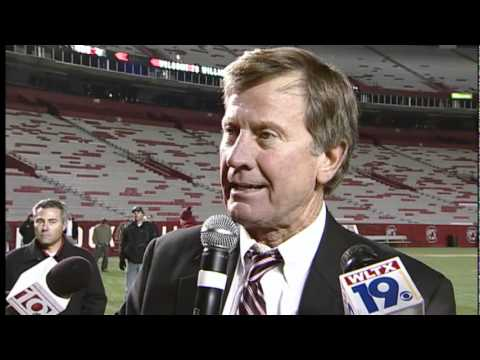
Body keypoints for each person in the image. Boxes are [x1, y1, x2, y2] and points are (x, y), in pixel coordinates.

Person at [118, 47, 455, 315]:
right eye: (231, 131)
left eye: (266, 135)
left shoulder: (412, 294)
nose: (235, 157)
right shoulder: (167, 258)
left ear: (329, 158)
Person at [5, 199, 107, 315]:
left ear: (63, 225)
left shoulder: (84, 259)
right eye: (39, 221)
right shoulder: (11, 260)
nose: (45, 227)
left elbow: (96, 301)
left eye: (52, 221)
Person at [119, 206, 158, 298]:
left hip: (144, 261)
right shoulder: (128, 228)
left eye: (138, 212)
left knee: (143, 286)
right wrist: (122, 258)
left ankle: (140, 305)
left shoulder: (150, 227)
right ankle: (128, 305)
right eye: (134, 213)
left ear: (143, 214)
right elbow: (123, 244)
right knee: (129, 286)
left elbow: (154, 242)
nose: (136, 214)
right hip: (132, 260)